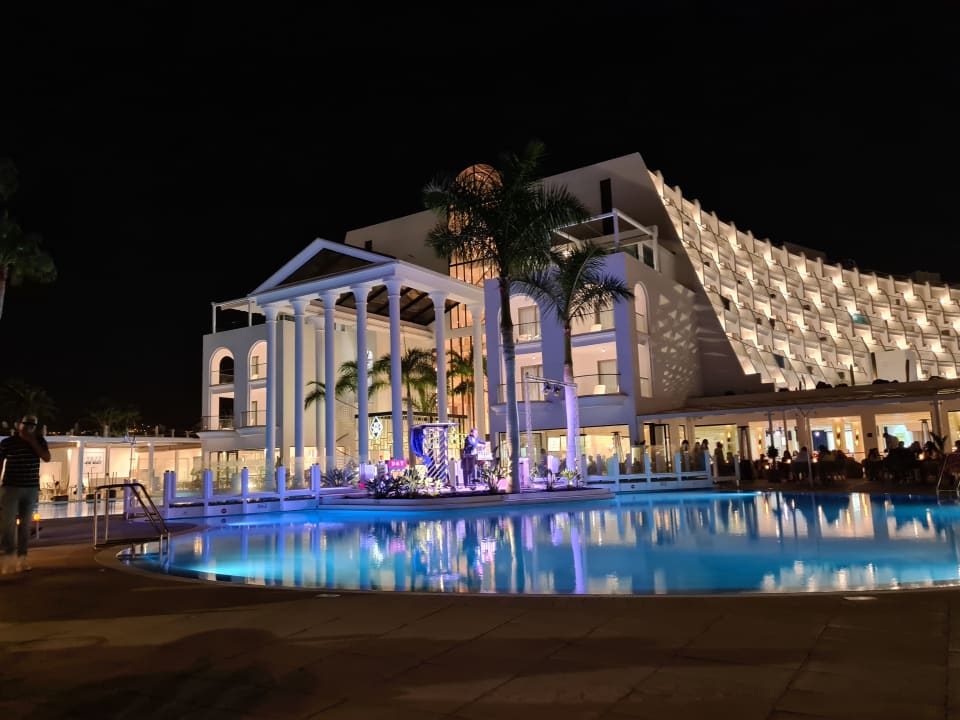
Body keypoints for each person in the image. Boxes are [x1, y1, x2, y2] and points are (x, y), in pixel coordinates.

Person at [0, 414, 51, 573]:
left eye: (32, 425)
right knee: (7, 523)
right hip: (10, 488)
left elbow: (46, 457)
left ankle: (22, 558)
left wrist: (32, 441)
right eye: (26, 424)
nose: (29, 428)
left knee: (25, 525)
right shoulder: (8, 442)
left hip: (30, 488)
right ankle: (8, 555)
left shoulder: (39, 441)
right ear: (19, 425)